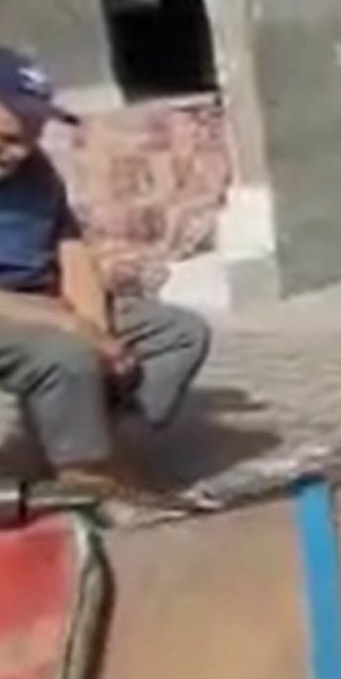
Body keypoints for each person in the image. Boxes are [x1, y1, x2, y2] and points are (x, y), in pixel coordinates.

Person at [0, 49, 212, 500]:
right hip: (15, 310)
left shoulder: (34, 171)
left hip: (44, 298)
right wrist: (72, 327)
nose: (20, 152)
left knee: (178, 335)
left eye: (31, 138)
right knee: (64, 353)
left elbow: (70, 247)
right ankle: (87, 482)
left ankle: (95, 442)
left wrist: (96, 328)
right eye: (8, 137)